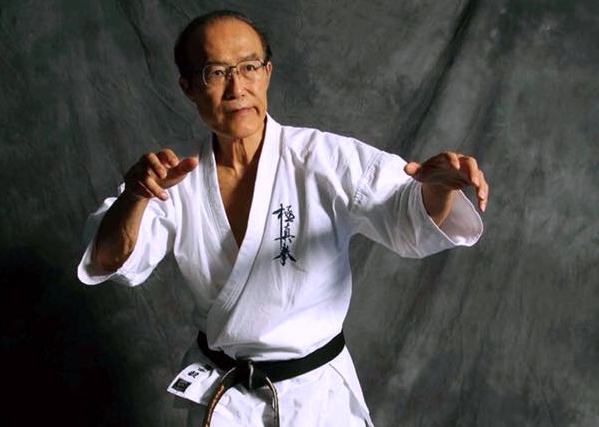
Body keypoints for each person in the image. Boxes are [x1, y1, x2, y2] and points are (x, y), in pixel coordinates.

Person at [77, 9, 488, 427]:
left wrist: (439, 189)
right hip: (228, 403)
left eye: (249, 67)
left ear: (267, 72)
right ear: (188, 87)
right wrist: (135, 196)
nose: (237, 88)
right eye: (216, 72)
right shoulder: (174, 180)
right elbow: (110, 259)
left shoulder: (325, 158)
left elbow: (408, 218)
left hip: (317, 400)